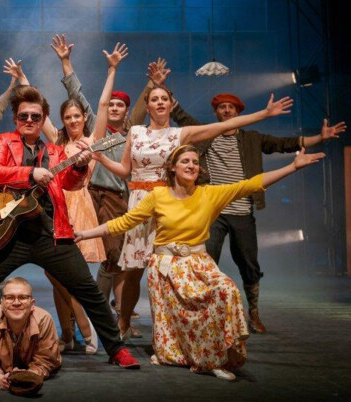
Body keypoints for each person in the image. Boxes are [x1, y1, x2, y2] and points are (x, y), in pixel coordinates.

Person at [0, 45, 141, 373]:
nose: (29, 120)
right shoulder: (3, 142)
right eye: (23, 116)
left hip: (50, 233)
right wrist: (29, 173)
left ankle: (117, 349)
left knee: (89, 291)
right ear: (16, 119)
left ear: (42, 120)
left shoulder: (54, 151)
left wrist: (80, 166)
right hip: (5, 235)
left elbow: (70, 184)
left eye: (35, 117)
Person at [75, 144, 325, 380]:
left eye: (195, 162)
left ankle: (214, 359)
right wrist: (85, 234)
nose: (191, 165)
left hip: (198, 262)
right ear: (173, 167)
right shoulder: (158, 196)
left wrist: (292, 166)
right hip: (166, 267)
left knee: (226, 290)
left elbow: (251, 185)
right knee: (182, 320)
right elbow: (123, 222)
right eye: (185, 161)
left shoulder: (209, 194)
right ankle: (185, 355)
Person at [90, 77, 294, 339]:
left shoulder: (180, 134)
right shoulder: (136, 132)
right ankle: (123, 323)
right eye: (155, 99)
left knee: (173, 271)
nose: (160, 102)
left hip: (171, 203)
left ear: (170, 104)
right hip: (140, 201)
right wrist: (102, 159)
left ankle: (172, 330)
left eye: (164, 99)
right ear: (147, 106)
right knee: (133, 272)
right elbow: (125, 170)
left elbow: (225, 125)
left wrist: (263, 114)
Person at [169, 87, 346, 333]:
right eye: (222, 107)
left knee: (249, 265)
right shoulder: (206, 133)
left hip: (242, 211)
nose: (226, 110)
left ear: (238, 112)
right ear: (216, 112)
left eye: (231, 107)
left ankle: (253, 312)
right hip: (211, 212)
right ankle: (205, 313)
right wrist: (160, 86)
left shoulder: (252, 138)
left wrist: (320, 138)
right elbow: (180, 115)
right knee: (206, 261)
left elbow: (284, 144)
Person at [50, 34, 152, 338]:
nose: (115, 109)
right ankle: (77, 326)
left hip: (117, 197)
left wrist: (150, 84)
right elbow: (80, 97)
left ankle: (119, 320)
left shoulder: (132, 132)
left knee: (116, 259)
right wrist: (66, 63)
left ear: (127, 110)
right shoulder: (95, 128)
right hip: (87, 195)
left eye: (122, 106)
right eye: (113, 105)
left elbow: (140, 109)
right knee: (70, 262)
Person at [36, 41, 129, 354]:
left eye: (77, 116)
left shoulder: (93, 140)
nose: (74, 120)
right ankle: (67, 335)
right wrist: (20, 79)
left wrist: (112, 70)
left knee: (72, 276)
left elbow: (101, 106)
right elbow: (39, 114)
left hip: (79, 206)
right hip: (55, 206)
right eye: (68, 117)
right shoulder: (56, 141)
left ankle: (86, 330)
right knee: (53, 274)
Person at [0, 277, 61, 392]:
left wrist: (27, 376)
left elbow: (46, 361)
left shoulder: (44, 320)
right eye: (9, 297)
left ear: (32, 304)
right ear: (2, 303)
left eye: (23, 297)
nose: (16, 303)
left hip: (32, 363)